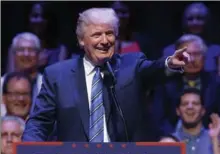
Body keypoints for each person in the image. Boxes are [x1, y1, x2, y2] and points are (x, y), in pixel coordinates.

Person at [22, 8, 191, 142]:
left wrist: (169, 63)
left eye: (109, 34)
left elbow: (153, 69)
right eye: (97, 35)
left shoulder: (131, 65)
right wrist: (27, 151)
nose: (104, 41)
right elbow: (40, 122)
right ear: (81, 40)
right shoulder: (57, 75)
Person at [152, 34, 220, 133]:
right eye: (187, 55)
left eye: (197, 54)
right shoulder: (165, 84)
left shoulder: (219, 84)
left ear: (204, 57)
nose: (192, 60)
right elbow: (158, 120)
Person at [162, 2, 220, 79]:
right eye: (190, 19)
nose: (195, 23)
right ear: (184, 22)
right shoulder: (169, 51)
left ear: (207, 21)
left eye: (200, 18)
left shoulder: (219, 52)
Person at [1, 32, 43, 116]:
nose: (26, 54)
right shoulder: (1, 84)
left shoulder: (48, 84)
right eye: (21, 50)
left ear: (39, 54)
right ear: (13, 54)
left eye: (31, 50)